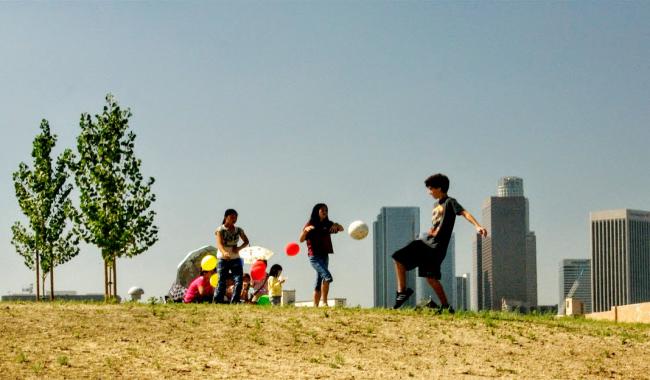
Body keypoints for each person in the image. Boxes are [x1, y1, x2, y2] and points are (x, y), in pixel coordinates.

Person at [392, 173, 488, 312]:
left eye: (431, 189)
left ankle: (402, 292)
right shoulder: (435, 205)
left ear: (440, 188)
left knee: (398, 257)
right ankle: (446, 306)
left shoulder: (450, 202)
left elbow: (464, 212)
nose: (429, 192)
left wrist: (477, 226)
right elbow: (436, 225)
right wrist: (429, 232)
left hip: (434, 246)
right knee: (430, 278)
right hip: (429, 244)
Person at [299, 203, 344, 307]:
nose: (325, 212)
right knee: (327, 277)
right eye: (322, 210)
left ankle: (315, 306)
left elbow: (341, 229)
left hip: (324, 255)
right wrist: (305, 231)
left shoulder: (328, 224)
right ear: (317, 211)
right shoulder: (311, 223)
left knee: (319, 280)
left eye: (326, 210)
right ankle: (324, 302)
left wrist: (336, 224)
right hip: (314, 257)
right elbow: (301, 239)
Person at [214, 209, 249, 304]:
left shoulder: (239, 230)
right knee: (222, 280)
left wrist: (239, 248)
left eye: (236, 218)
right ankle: (218, 301)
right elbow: (219, 244)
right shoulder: (220, 230)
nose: (234, 219)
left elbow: (246, 241)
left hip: (235, 258)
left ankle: (234, 301)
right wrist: (224, 252)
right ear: (226, 217)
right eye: (232, 217)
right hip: (223, 258)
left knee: (239, 280)